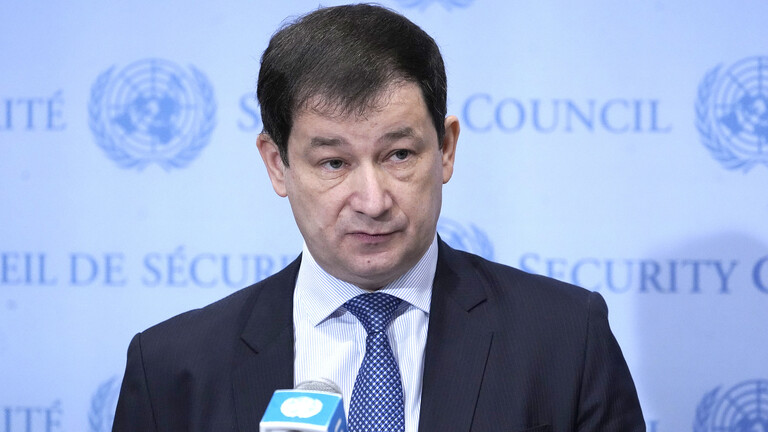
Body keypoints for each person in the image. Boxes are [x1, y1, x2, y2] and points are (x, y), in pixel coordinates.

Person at [112, 4, 645, 431]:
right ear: (277, 165)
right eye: (334, 163)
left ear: (447, 149)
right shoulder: (172, 369)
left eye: (399, 155)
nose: (372, 201)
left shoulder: (566, 339)